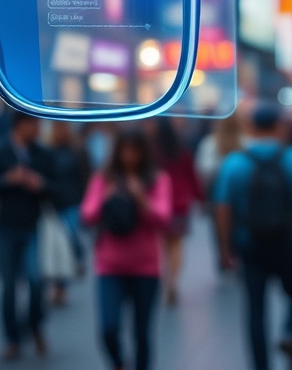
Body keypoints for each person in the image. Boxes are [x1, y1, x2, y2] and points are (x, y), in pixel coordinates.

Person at [215, 103, 292, 370]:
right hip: (289, 240)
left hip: (249, 244)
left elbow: (222, 209)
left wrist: (225, 248)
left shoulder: (234, 163)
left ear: (251, 128)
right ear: (279, 126)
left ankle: (260, 364)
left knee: (255, 309)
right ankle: (290, 332)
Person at [79, 129, 172, 370]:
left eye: (135, 151)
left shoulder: (158, 180)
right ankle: (119, 363)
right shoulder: (103, 179)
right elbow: (87, 215)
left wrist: (141, 199)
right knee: (108, 328)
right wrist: (106, 199)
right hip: (110, 266)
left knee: (142, 332)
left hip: (145, 268)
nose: (129, 157)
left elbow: (164, 219)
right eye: (125, 150)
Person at [0, 109, 56, 359]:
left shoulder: (42, 154)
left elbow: (58, 189)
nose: (38, 129)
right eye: (34, 123)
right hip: (6, 227)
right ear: (21, 125)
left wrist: (40, 184)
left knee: (37, 283)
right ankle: (12, 338)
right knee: (8, 288)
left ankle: (34, 326)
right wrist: (9, 179)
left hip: (33, 226)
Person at [148, 117, 201, 305]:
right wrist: (200, 198)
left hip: (158, 202)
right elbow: (192, 176)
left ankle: (164, 281)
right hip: (180, 202)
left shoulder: (152, 151)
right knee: (176, 244)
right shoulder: (182, 150)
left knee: (161, 244)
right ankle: (173, 282)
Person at [47, 120, 92, 304]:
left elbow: (87, 176)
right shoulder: (47, 151)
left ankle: (76, 261)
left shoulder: (78, 151)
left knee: (69, 238)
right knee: (56, 246)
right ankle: (59, 285)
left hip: (73, 202)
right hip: (53, 204)